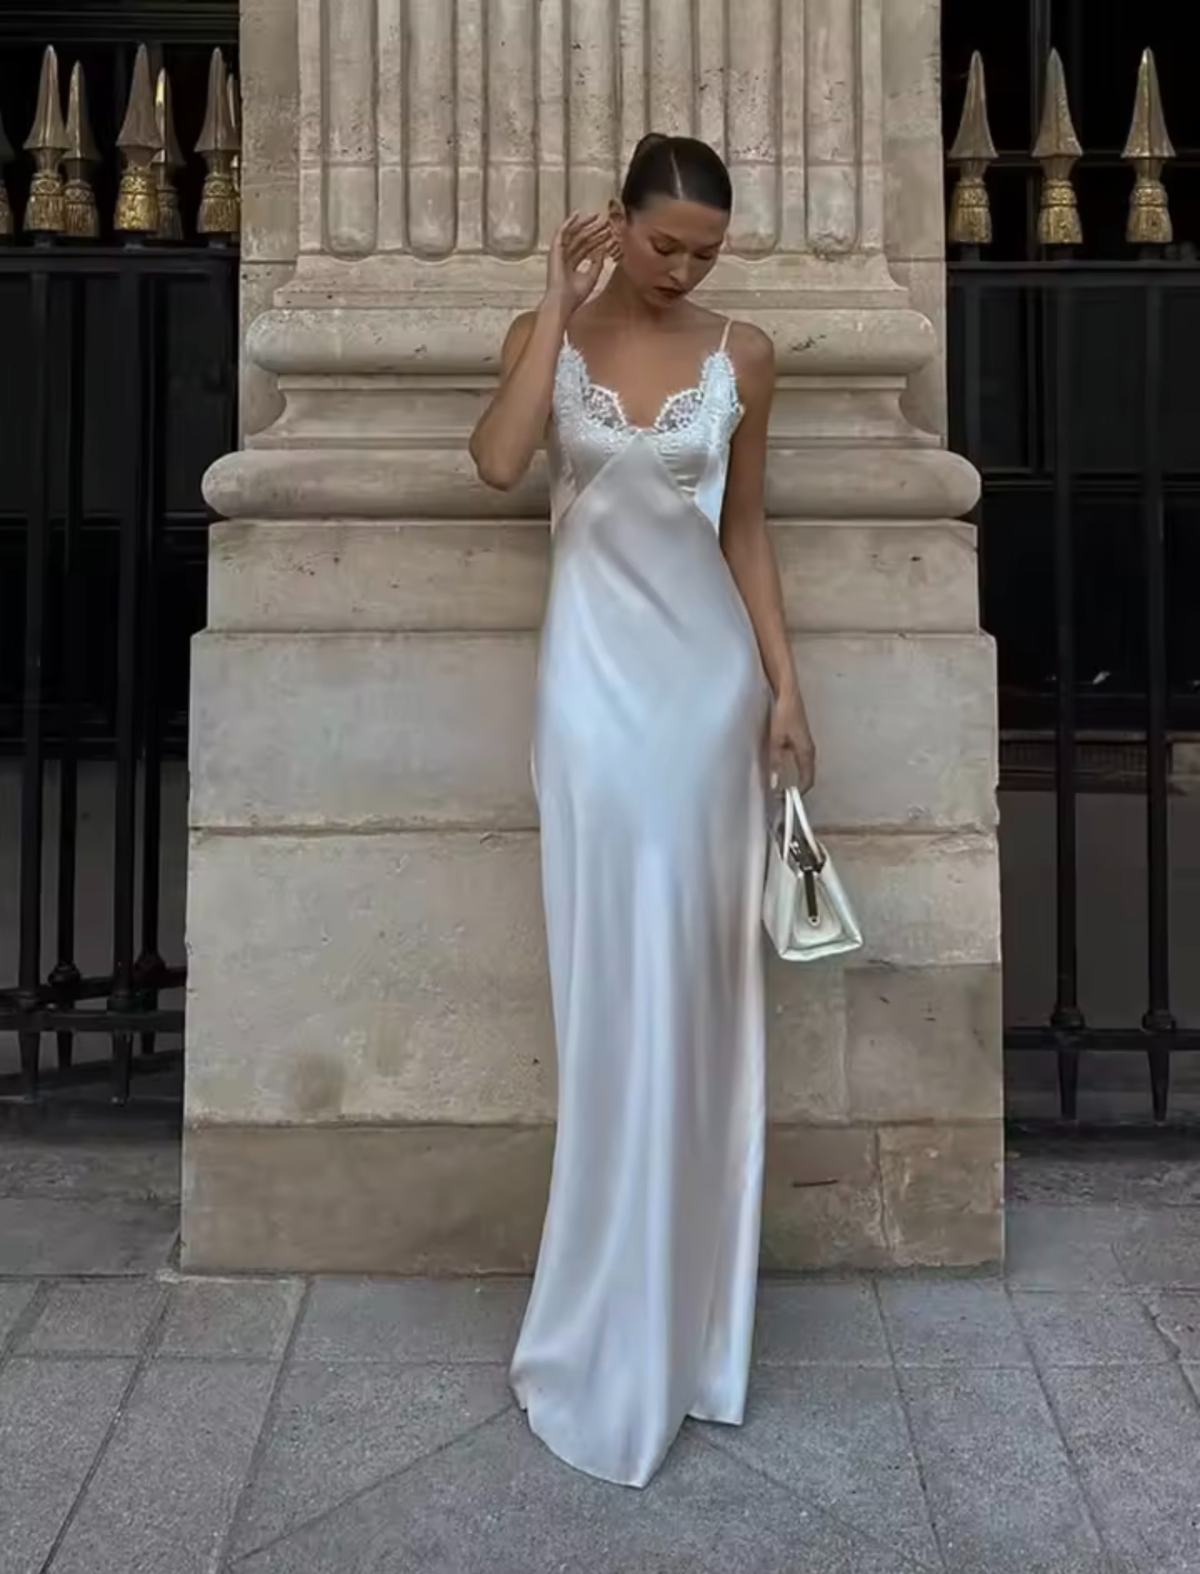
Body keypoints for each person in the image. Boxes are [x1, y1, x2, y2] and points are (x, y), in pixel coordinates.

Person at [469, 133, 816, 1489]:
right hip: (590, 703)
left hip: (703, 702)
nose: (683, 270)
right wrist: (554, 306)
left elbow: (746, 531)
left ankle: (691, 1324)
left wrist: (785, 689)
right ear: (615, 221)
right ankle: (599, 1310)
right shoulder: (544, 335)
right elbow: (499, 462)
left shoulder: (745, 355)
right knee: (606, 988)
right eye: (665, 243)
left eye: (706, 253)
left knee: (694, 990)